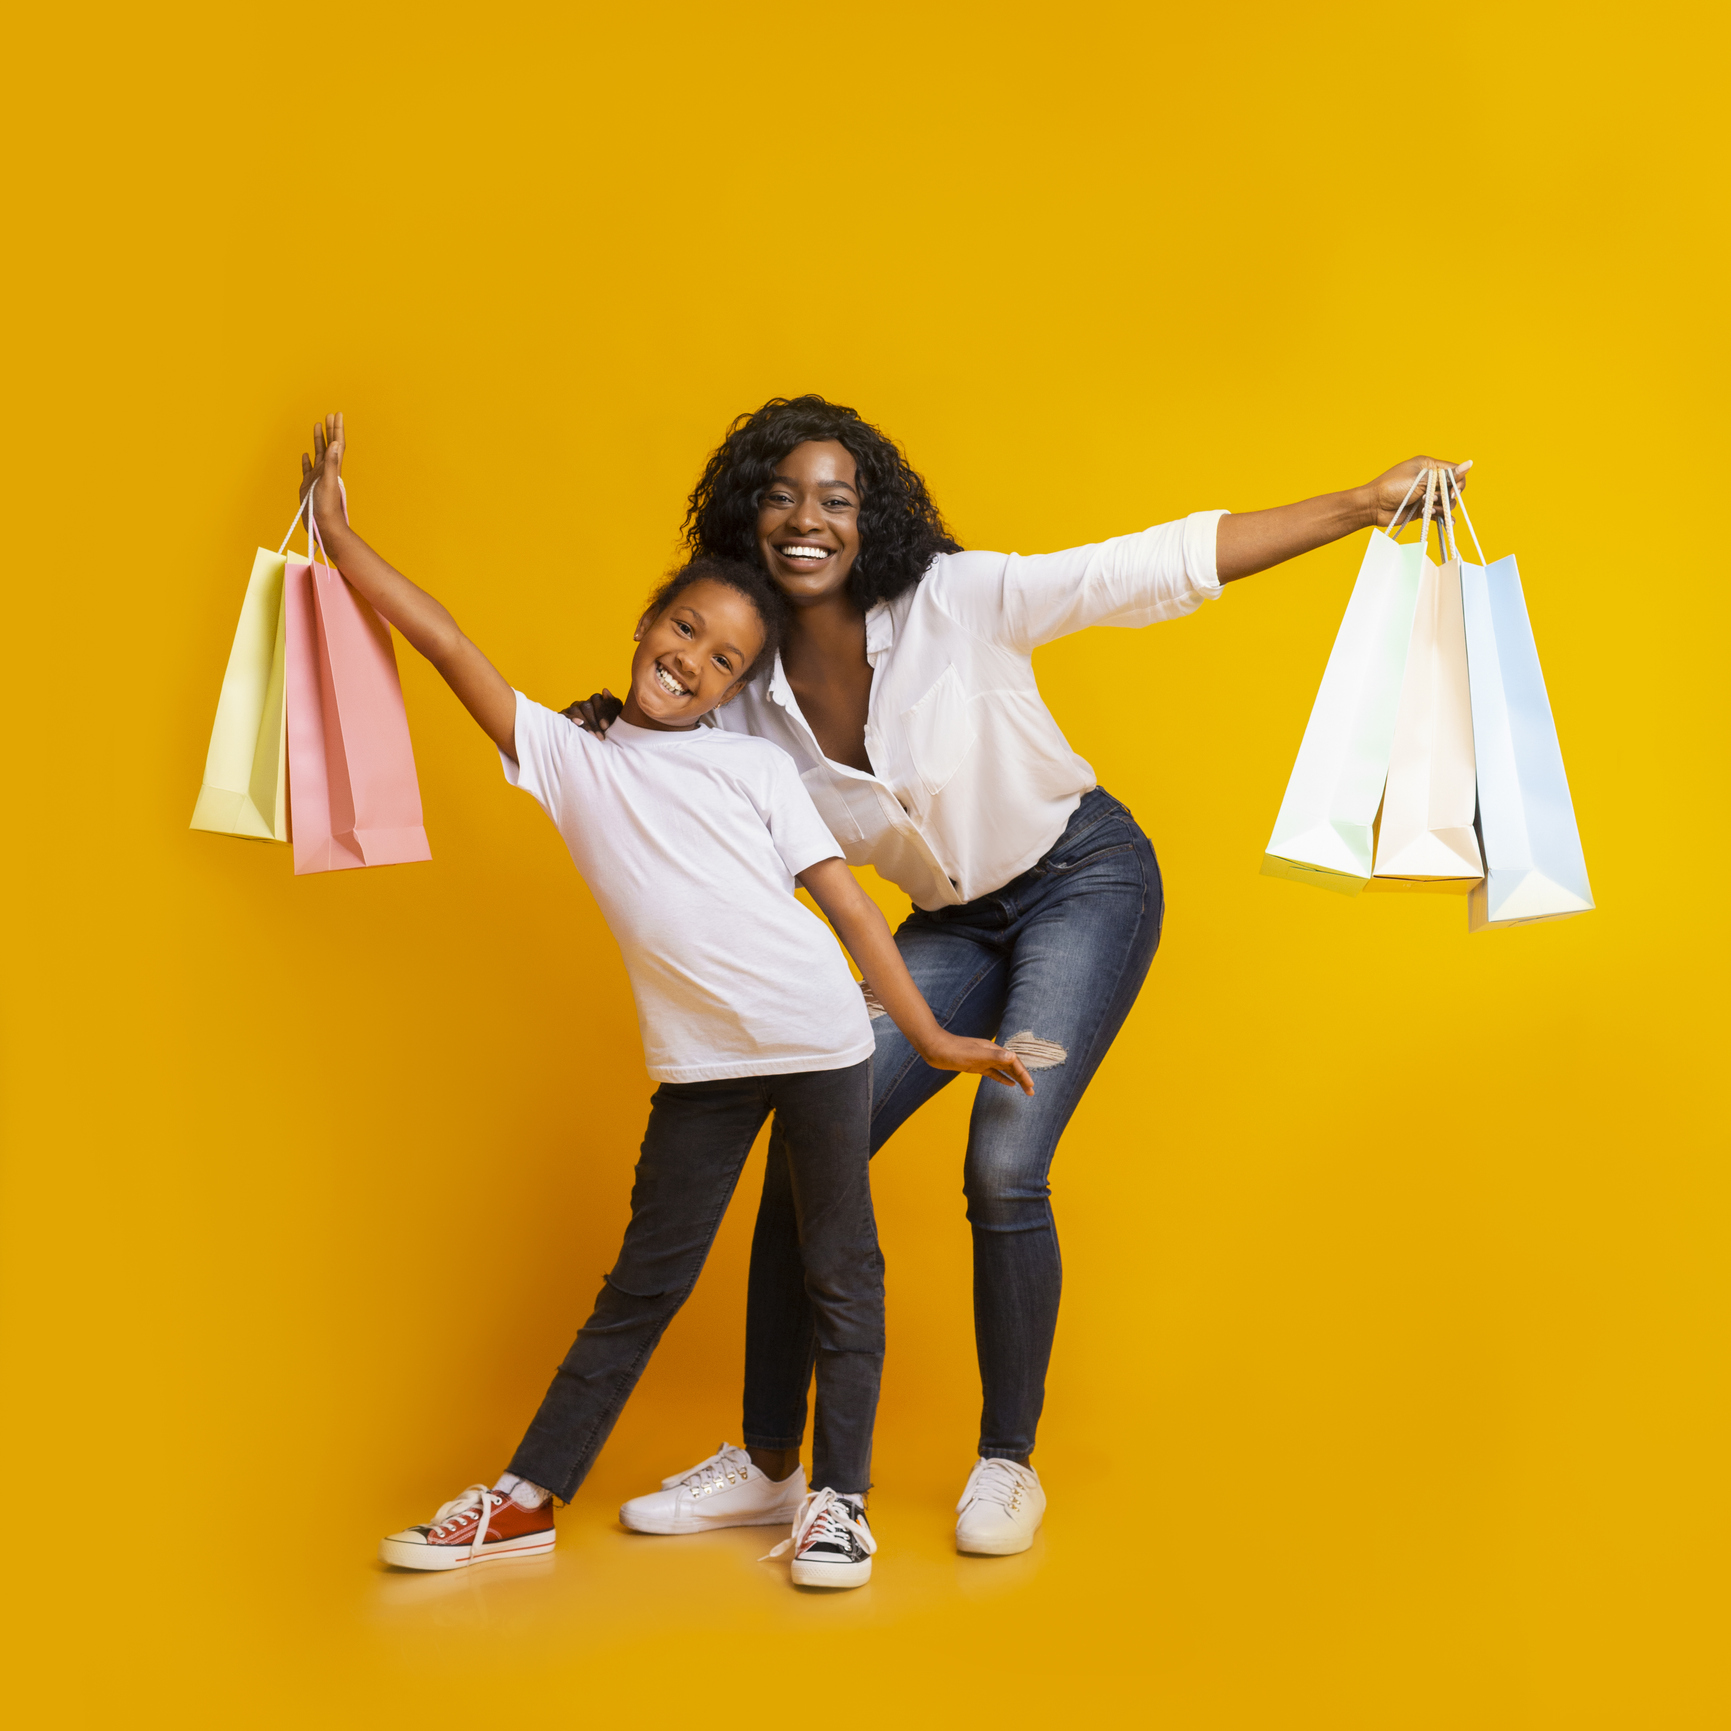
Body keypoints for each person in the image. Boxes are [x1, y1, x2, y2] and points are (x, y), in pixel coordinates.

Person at [574, 396, 1470, 1556]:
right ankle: (763, 1463)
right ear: (745, 514)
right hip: (950, 922)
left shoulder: (953, 598)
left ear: (870, 517)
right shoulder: (743, 696)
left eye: (837, 499)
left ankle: (1007, 1464)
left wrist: (1355, 505)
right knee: (809, 1150)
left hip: (1083, 881)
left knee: (1004, 1163)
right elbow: (640, 763)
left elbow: (1142, 570)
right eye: (784, 495)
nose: (810, 519)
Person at [294, 415, 1033, 1589]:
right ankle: (524, 1499)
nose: (694, 660)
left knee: (844, 1271)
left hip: (822, 1041)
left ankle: (836, 1502)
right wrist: (340, 537)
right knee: (644, 1281)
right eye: (685, 629)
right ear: (646, 625)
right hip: (701, 1065)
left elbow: (846, 910)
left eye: (726, 660)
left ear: (737, 688)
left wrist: (934, 1038)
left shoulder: (753, 768)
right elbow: (444, 642)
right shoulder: (568, 754)